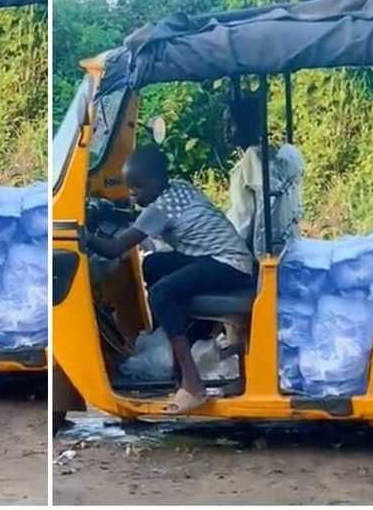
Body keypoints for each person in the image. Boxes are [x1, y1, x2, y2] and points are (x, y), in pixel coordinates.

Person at [85, 145, 255, 414]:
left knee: (162, 293)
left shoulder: (159, 210)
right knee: (155, 264)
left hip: (230, 265)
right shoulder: (177, 188)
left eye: (138, 187)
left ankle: (192, 384)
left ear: (157, 182)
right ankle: (180, 340)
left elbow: (114, 249)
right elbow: (142, 220)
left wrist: (79, 233)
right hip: (227, 259)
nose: (132, 194)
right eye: (130, 188)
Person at [224, 103, 305, 257]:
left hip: (246, 252)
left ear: (247, 126)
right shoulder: (268, 153)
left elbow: (243, 221)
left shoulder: (252, 158)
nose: (226, 131)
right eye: (225, 125)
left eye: (231, 125)